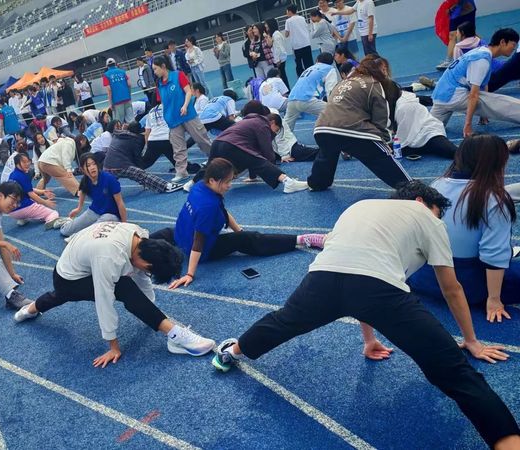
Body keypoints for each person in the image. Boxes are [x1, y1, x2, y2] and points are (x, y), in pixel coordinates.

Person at [211, 180, 520, 449]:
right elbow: (450, 288)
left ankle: (232, 351)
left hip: (322, 279)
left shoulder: (358, 208)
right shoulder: (427, 217)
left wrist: (369, 339)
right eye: (438, 212)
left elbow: (356, 267)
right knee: (456, 374)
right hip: (379, 290)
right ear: (421, 201)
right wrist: (471, 340)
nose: (438, 218)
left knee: (284, 321)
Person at [13, 221, 216, 367]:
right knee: (122, 287)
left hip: (78, 261)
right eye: (149, 270)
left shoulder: (138, 236)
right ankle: (175, 337)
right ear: (146, 262)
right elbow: (104, 302)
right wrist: (113, 346)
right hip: (69, 278)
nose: (147, 273)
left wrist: (151, 311)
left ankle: (29, 310)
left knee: (58, 296)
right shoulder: (109, 257)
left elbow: (142, 275)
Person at [154, 158, 325, 290]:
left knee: (166, 233)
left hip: (181, 237)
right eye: (226, 182)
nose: (230, 185)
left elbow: (222, 211)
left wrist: (239, 231)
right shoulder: (207, 206)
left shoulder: (200, 186)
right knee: (251, 239)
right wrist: (190, 274)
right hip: (203, 249)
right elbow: (199, 243)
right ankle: (303, 239)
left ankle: (141, 242)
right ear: (212, 180)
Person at [408, 135, 518, 322]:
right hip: (469, 285)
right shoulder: (494, 199)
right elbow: (494, 256)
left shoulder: (437, 184)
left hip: (423, 277)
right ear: (497, 163)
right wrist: (494, 299)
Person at [308, 57, 411, 191]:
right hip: (351, 129)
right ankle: (411, 188)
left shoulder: (343, 83)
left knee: (326, 155)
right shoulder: (374, 84)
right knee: (379, 157)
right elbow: (381, 120)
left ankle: (316, 183)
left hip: (322, 128)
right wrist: (385, 142)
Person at [184, 101, 309, 194]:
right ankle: (288, 182)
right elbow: (266, 152)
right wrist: (274, 169)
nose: (274, 134)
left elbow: (250, 153)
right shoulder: (263, 124)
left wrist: (253, 177)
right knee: (258, 160)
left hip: (218, 142)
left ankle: (191, 183)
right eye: (275, 130)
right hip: (232, 144)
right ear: (271, 122)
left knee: (210, 166)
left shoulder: (246, 121)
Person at [431, 28, 520, 138]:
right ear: (502, 42)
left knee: (429, 130)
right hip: (454, 96)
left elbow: (483, 85)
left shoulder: (480, 51)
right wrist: (468, 125)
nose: (514, 48)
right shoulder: (482, 59)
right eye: (513, 44)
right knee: (499, 102)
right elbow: (473, 95)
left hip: (440, 97)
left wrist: (483, 113)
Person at [151, 56, 212, 184]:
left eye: (155, 69)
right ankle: (181, 172)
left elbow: (188, 92)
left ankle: (216, 158)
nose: (154, 72)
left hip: (187, 115)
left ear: (163, 66)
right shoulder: (159, 84)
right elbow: (162, 102)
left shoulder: (178, 75)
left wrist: (184, 106)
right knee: (178, 148)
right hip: (172, 119)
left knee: (201, 139)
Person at [59, 153, 127, 238]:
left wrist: (124, 225)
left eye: (94, 164)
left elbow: (120, 203)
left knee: (93, 232)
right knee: (65, 231)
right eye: (88, 165)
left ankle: (78, 238)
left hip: (111, 215)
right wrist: (79, 208)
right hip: (94, 211)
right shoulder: (86, 181)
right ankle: (67, 222)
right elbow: (82, 191)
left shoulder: (109, 179)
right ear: (82, 169)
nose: (92, 167)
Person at [104, 122, 182, 193]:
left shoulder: (117, 135)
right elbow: (137, 158)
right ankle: (166, 186)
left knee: (105, 185)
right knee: (141, 174)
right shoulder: (135, 139)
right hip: (121, 165)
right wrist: (141, 172)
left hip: (107, 166)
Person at [6, 153, 65, 229]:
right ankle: (50, 221)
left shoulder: (12, 175)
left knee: (28, 200)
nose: (27, 164)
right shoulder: (22, 176)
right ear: (17, 164)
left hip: (11, 211)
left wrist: (42, 191)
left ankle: (22, 219)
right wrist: (45, 202)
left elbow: (27, 189)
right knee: (53, 213)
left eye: (28, 161)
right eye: (24, 162)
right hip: (24, 207)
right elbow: (31, 194)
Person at [283, 52, 340, 131]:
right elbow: (331, 89)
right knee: (334, 112)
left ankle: (279, 138)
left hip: (292, 99)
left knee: (286, 128)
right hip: (307, 99)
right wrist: (334, 105)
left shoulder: (309, 69)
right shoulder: (329, 69)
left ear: (317, 60)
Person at [395, 91, 457, 159]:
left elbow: (405, 135)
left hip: (427, 133)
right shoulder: (398, 102)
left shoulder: (405, 105)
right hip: (413, 134)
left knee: (454, 152)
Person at [437, 0, 477, 70]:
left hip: (467, 8)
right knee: (452, 35)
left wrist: (452, 7)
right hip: (455, 11)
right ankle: (448, 61)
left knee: (470, 33)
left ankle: (484, 49)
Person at [284, 5, 314, 77]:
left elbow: (286, 34)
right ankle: (312, 76)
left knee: (299, 64)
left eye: (287, 11)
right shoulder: (302, 18)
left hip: (296, 45)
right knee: (309, 62)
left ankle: (302, 77)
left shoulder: (288, 21)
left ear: (290, 11)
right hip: (306, 43)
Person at [103, 58, 134, 124]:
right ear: (115, 64)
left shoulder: (106, 75)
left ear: (107, 66)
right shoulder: (122, 72)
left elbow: (109, 90)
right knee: (131, 120)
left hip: (117, 101)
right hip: (127, 98)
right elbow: (129, 84)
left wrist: (110, 103)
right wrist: (129, 96)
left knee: (119, 122)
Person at [264, 18, 291, 90]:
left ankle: (286, 90)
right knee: (281, 75)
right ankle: (286, 90)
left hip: (279, 59)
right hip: (279, 58)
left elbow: (278, 48)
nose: (266, 27)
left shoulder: (276, 35)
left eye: (266, 25)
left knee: (281, 76)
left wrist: (277, 60)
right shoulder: (274, 34)